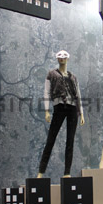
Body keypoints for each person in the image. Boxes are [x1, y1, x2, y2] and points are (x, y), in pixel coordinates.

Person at [37, 50, 85, 178]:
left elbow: (78, 95)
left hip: (73, 108)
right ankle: (41, 172)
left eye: (64, 57)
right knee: (51, 139)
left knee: (70, 141)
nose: (62, 58)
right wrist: (47, 110)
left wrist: (81, 113)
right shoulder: (52, 74)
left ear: (68, 59)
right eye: (59, 57)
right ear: (57, 59)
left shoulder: (73, 77)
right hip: (59, 107)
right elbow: (46, 92)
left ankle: (67, 172)